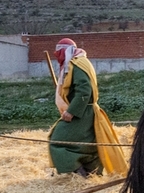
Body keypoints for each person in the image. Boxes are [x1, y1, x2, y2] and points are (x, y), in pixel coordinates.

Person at [48, 38, 127, 176]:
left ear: (66, 51)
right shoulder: (79, 61)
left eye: (59, 52)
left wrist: (71, 111)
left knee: (57, 140)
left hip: (82, 112)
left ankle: (78, 172)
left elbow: (84, 91)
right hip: (86, 111)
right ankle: (91, 172)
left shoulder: (77, 64)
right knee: (87, 144)